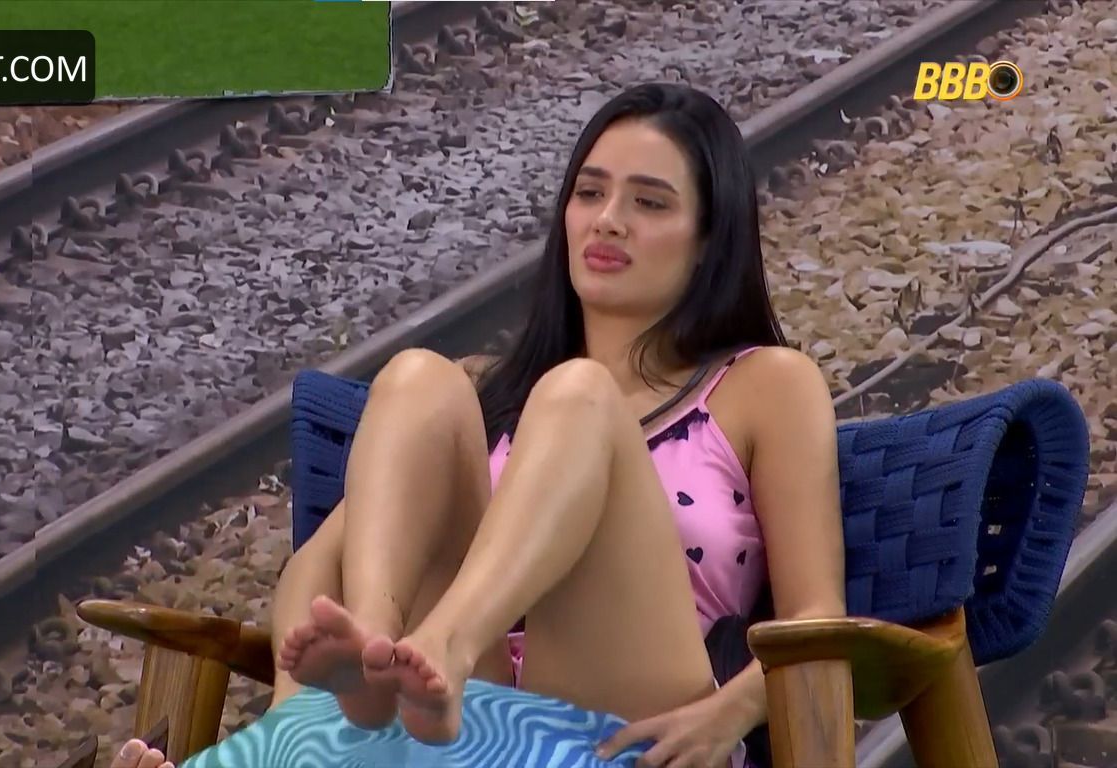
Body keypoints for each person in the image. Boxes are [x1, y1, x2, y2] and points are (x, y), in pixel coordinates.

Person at [112, 82, 846, 768]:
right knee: (417, 378)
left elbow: (820, 618)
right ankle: (372, 670)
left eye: (650, 203)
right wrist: (294, 730)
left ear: (710, 238)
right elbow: (317, 563)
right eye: (590, 192)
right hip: (466, 726)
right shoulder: (485, 403)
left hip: (633, 731)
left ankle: (439, 651)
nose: (608, 219)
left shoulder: (764, 385)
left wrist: (730, 712)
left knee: (579, 395)